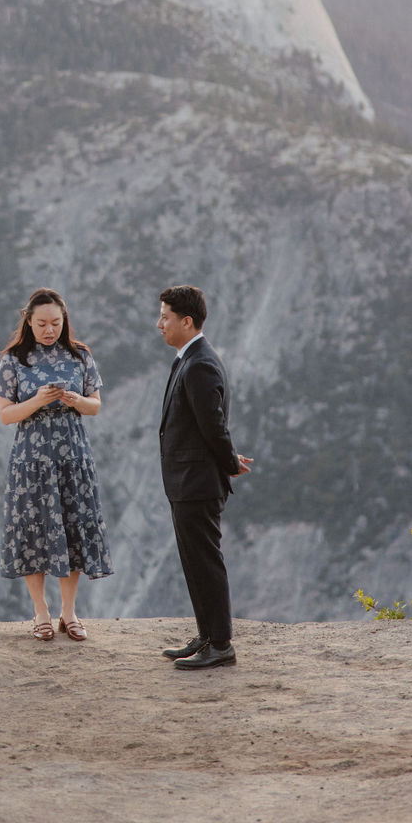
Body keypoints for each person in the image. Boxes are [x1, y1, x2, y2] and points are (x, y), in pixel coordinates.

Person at [0, 287, 112, 641]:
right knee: (34, 531)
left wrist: (75, 400)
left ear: (65, 321)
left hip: (73, 456)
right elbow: (5, 415)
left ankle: (69, 612)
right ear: (28, 322)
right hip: (31, 459)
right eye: (42, 323)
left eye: (56, 323)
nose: (49, 330)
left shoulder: (80, 356)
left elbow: (96, 405)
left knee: (72, 530)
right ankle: (40, 611)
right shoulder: (14, 360)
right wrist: (37, 401)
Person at [156, 284, 252, 670]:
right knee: (194, 562)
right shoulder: (189, 359)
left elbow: (213, 426)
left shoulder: (199, 364)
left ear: (187, 321)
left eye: (165, 316)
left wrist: (228, 462)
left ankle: (222, 644)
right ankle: (207, 634)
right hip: (187, 481)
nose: (159, 324)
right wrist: (227, 458)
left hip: (196, 483)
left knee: (206, 563)